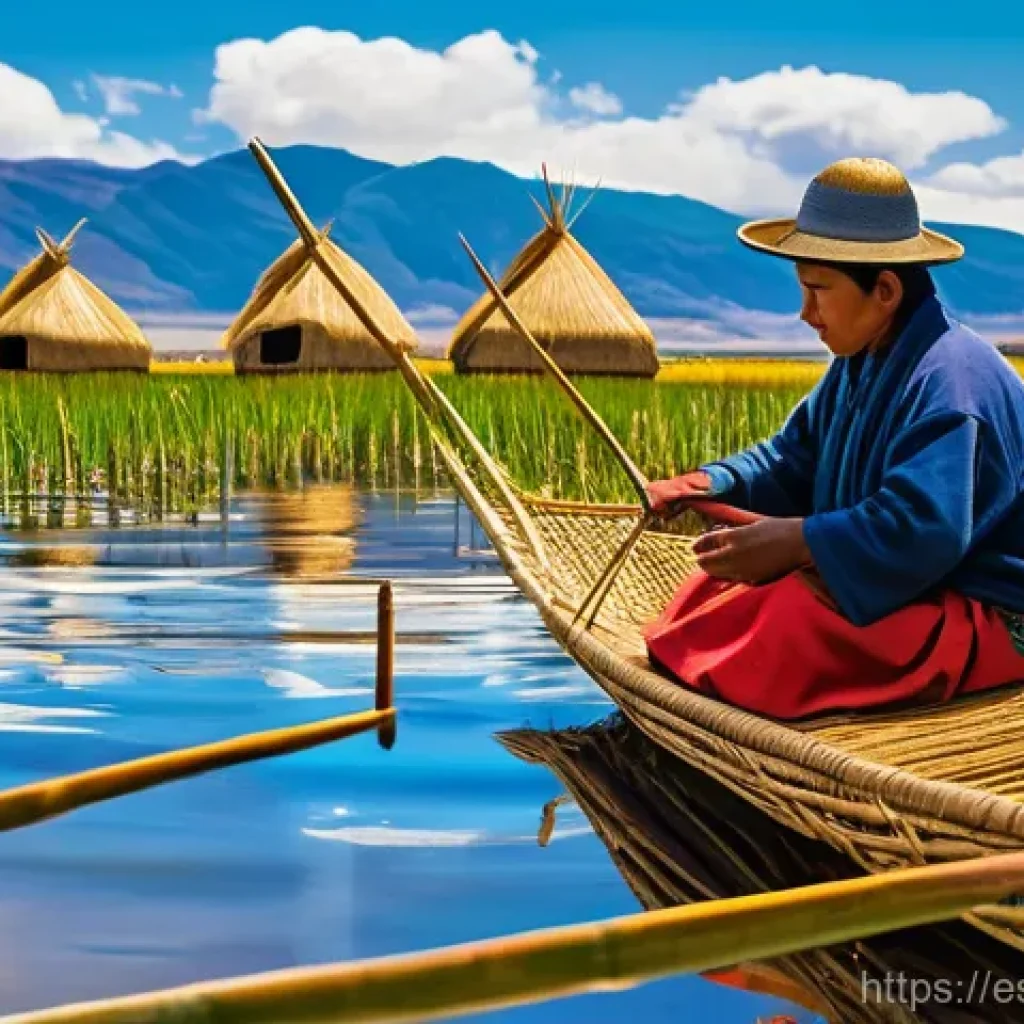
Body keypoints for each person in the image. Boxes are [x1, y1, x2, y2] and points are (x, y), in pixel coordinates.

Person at [642, 157, 1024, 720]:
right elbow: (792, 458)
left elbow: (924, 530)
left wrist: (800, 543)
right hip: (907, 587)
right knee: (709, 589)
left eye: (818, 290)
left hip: (987, 615)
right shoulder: (863, 358)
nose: (805, 313)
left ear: (886, 289)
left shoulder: (952, 383)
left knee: (787, 617)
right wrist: (709, 480)